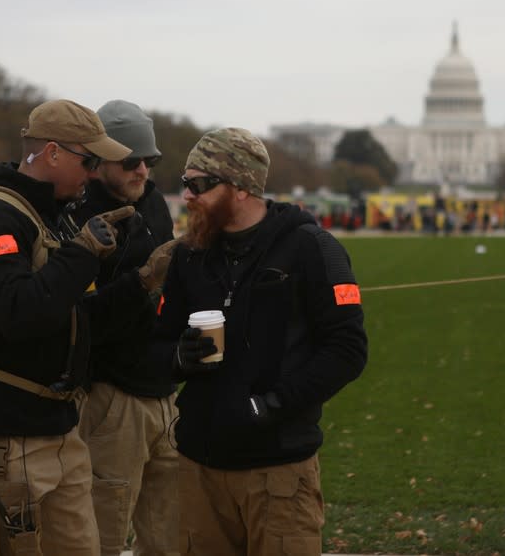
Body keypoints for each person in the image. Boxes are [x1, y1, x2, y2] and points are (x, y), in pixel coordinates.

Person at [150, 128, 368, 556]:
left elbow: (347, 350)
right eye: (185, 183)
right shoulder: (189, 254)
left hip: (279, 471)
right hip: (199, 468)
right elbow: (154, 344)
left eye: (199, 184)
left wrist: (271, 405)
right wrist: (178, 357)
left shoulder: (311, 248)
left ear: (239, 187)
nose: (188, 196)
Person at [0, 99, 140, 556]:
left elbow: (72, 315)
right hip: (2, 438)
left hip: (55, 429)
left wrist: (141, 283)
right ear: (51, 153)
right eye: (88, 161)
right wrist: (84, 251)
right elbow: (19, 312)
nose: (92, 173)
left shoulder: (51, 213)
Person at [62, 100, 178, 556]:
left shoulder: (152, 203)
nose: (143, 171)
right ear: (98, 159)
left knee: (173, 539)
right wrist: (144, 282)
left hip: (165, 393)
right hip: (112, 398)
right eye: (131, 162)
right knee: (101, 538)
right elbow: (78, 321)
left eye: (150, 161)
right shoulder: (75, 216)